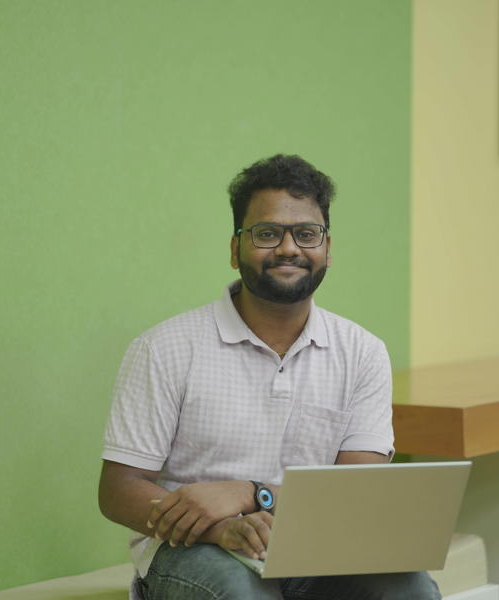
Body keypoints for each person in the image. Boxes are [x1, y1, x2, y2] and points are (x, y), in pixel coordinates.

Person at [98, 154, 441, 599]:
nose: (288, 249)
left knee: (410, 588)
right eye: (267, 234)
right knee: (242, 592)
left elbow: (358, 494)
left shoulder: (363, 352)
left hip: (321, 551)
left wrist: (250, 494)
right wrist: (220, 527)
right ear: (234, 247)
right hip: (196, 552)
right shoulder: (165, 348)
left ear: (327, 249)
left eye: (306, 234)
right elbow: (118, 489)